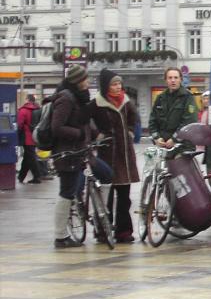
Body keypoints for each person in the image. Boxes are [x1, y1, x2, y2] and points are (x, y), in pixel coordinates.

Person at [50, 65, 112, 248]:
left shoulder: (79, 98)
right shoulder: (65, 98)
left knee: (107, 174)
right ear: (77, 81)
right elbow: (57, 127)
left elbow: (82, 122)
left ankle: (99, 214)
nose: (87, 82)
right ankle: (60, 236)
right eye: (85, 79)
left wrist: (96, 134)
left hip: (82, 151)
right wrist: (78, 134)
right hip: (68, 154)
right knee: (67, 192)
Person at [89, 68, 140, 243]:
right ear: (105, 86)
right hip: (107, 154)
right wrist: (96, 135)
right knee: (106, 196)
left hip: (124, 154)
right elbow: (85, 122)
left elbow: (134, 118)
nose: (118, 87)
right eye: (114, 84)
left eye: (119, 83)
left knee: (124, 197)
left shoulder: (126, 102)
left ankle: (123, 231)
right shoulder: (96, 103)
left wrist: (131, 132)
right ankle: (104, 230)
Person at [149, 67, 197, 148]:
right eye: (170, 78)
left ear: (180, 79)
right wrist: (157, 137)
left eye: (176, 77)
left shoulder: (188, 97)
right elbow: (152, 121)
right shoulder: (160, 98)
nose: (173, 80)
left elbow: (189, 122)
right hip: (163, 145)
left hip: (183, 145)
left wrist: (174, 139)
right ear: (166, 80)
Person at [16, 94, 42, 184]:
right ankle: (21, 177)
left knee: (31, 157)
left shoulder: (23, 110)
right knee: (27, 157)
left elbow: (19, 125)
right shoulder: (38, 109)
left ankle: (37, 176)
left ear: (27, 100)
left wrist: (17, 136)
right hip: (36, 136)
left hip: (27, 137)